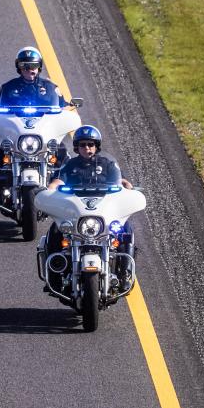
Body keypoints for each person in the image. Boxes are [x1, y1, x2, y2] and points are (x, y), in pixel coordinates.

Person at [42, 125, 135, 293]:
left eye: (91, 144)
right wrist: (50, 189)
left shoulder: (107, 164)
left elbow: (121, 181)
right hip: (77, 210)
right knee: (56, 230)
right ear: (77, 147)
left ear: (96, 146)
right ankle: (54, 275)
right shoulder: (70, 165)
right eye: (83, 145)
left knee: (125, 228)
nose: (87, 148)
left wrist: (128, 187)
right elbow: (58, 181)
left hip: (102, 210)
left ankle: (125, 272)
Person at [0, 47, 71, 206]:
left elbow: (64, 108)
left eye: (33, 65)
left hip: (42, 133)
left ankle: (61, 185)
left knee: (61, 150)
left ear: (39, 67)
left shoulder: (51, 87)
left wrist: (68, 114)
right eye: (25, 66)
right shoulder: (8, 87)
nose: (29, 69)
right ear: (19, 67)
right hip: (16, 133)